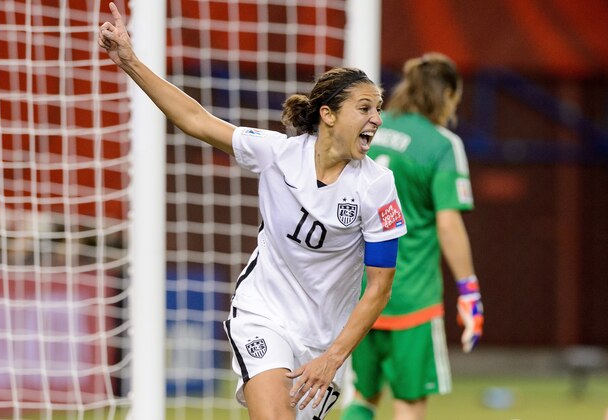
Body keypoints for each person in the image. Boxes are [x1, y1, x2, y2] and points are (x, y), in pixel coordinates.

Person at [98, 3, 407, 419]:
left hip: (322, 341)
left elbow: (380, 287)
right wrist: (130, 61)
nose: (376, 118)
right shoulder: (277, 152)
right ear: (328, 115)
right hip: (264, 313)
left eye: (378, 109)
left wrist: (333, 357)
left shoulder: (377, 186)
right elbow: (196, 119)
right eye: (365, 108)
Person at [341, 52, 484, 420]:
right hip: (411, 298)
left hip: (358, 294)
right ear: (447, 95)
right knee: (409, 403)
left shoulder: (371, 126)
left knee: (363, 396)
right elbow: (448, 223)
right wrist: (468, 291)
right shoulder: (441, 144)